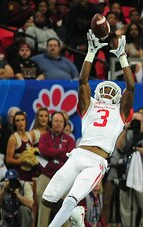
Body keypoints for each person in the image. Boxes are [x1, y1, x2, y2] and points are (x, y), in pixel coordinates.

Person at [42, 30, 135, 227]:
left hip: (97, 161)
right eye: (105, 89)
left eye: (112, 90)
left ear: (118, 97)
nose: (108, 92)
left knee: (71, 198)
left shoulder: (121, 110)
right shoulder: (90, 104)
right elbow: (82, 81)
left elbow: (131, 87)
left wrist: (123, 57)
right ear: (98, 92)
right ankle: (75, 213)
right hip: (77, 155)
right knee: (47, 200)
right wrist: (90, 53)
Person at [37, 111, 75, 227]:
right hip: (47, 174)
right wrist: (62, 151)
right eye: (55, 121)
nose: (58, 124)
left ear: (64, 124)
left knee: (65, 206)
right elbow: (43, 151)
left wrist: (52, 154)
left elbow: (70, 156)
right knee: (41, 197)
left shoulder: (70, 140)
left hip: (63, 176)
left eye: (60, 121)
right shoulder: (44, 137)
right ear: (51, 122)